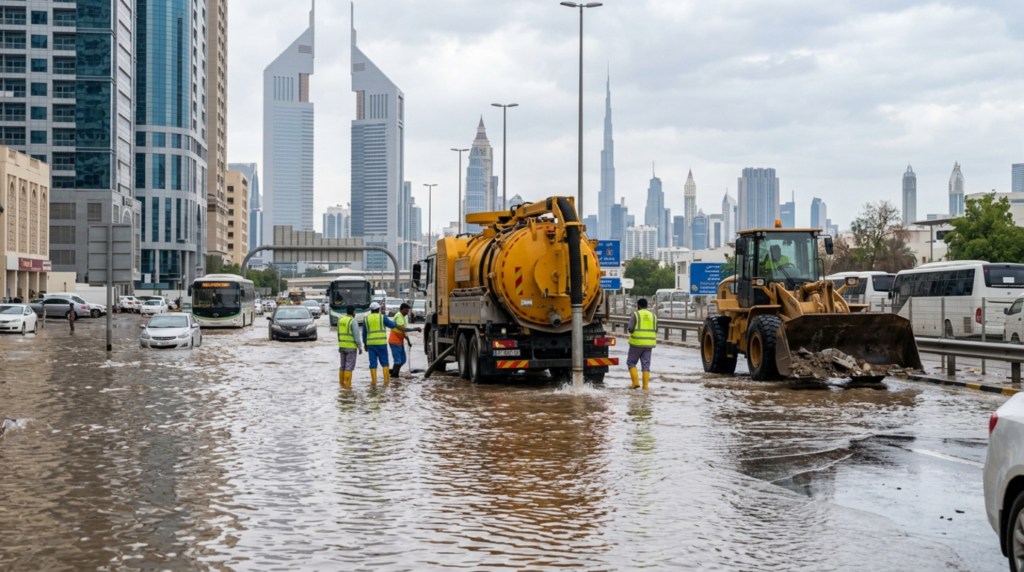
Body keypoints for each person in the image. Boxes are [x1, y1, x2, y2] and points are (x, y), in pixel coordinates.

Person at [363, 302, 398, 386]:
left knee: (372, 363)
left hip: (371, 344)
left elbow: (364, 333)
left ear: (371, 310)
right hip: (381, 344)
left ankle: (374, 382)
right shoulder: (382, 317)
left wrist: (365, 344)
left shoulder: (366, 319)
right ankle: (386, 382)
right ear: (378, 309)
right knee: (385, 362)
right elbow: (392, 325)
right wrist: (398, 324)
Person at [626, 298, 657, 390]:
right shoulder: (653, 316)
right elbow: (656, 329)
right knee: (646, 365)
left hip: (637, 343)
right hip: (649, 344)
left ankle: (635, 383)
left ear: (639, 306)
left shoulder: (636, 314)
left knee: (631, 362)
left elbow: (630, 329)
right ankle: (645, 387)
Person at [388, 303, 422, 378]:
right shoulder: (398, 316)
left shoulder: (403, 317)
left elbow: (404, 333)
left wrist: (409, 342)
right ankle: (394, 377)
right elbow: (402, 329)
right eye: (407, 310)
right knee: (398, 360)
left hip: (399, 341)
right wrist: (415, 329)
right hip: (394, 341)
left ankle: (392, 371)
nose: (407, 312)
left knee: (403, 360)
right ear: (402, 309)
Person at [337, 304, 363, 388]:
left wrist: (340, 344)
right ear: (353, 312)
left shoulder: (340, 320)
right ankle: (347, 387)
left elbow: (338, 334)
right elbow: (356, 336)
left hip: (342, 347)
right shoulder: (353, 321)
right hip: (351, 348)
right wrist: (359, 346)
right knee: (349, 367)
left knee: (342, 366)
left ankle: (341, 385)